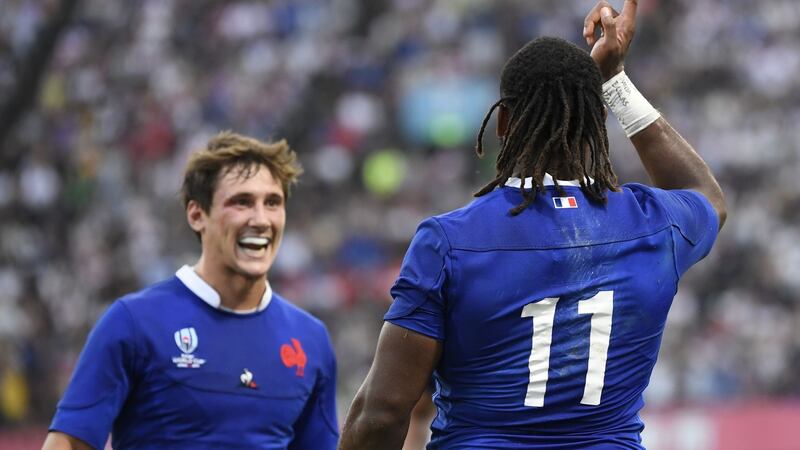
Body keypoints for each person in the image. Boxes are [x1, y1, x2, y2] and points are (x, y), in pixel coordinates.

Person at [339, 0, 726, 448]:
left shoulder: (450, 241)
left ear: (502, 122)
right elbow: (706, 197)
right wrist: (616, 82)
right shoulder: (653, 225)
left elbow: (383, 413)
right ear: (600, 120)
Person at [43, 132, 339, 450]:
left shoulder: (310, 340)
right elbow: (69, 444)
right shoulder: (133, 322)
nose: (261, 219)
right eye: (242, 202)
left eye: (272, 202)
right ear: (197, 215)